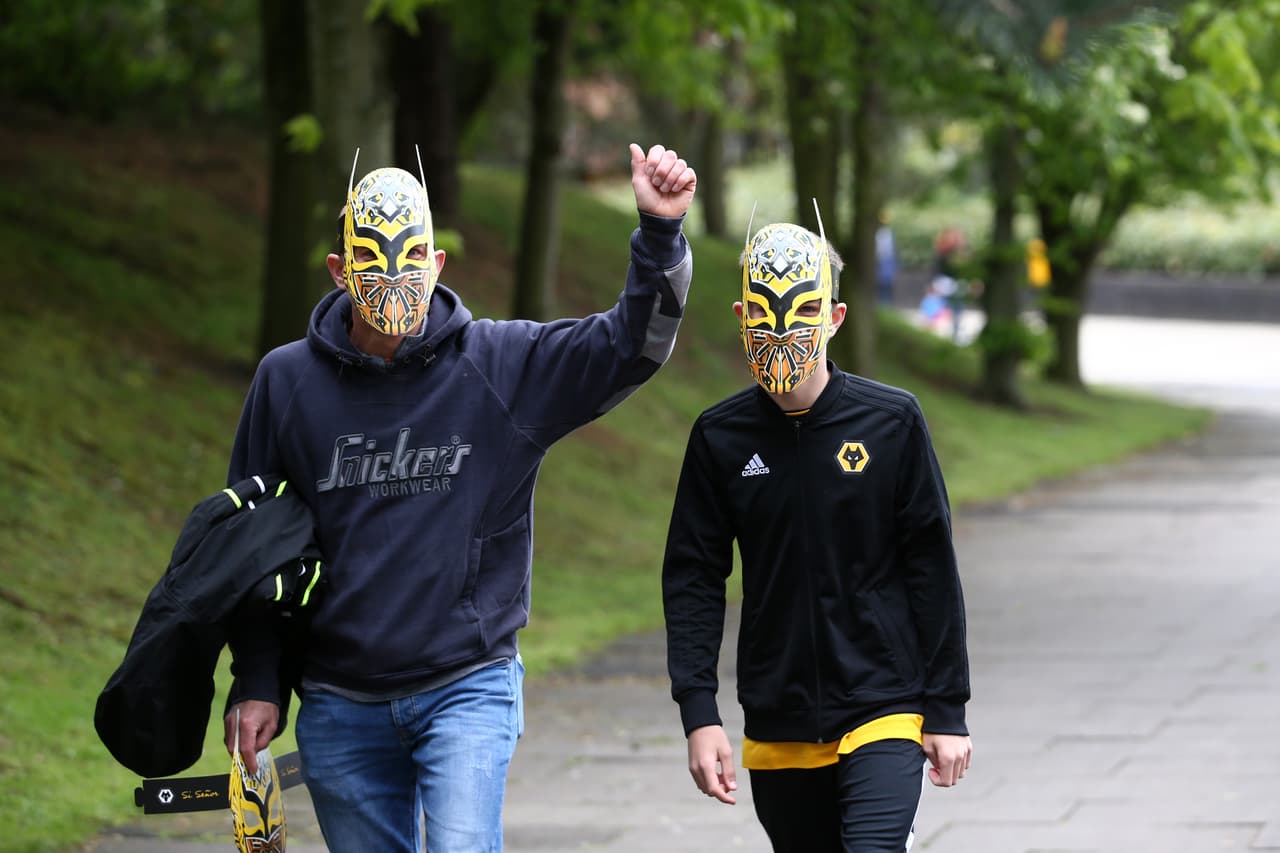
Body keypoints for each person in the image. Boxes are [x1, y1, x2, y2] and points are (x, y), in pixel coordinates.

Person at [222, 142, 696, 852]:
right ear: (339, 268)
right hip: (338, 698)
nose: (395, 274)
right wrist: (257, 679)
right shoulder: (286, 383)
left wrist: (659, 233)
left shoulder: (500, 365)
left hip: (466, 685)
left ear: (438, 262)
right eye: (373, 258)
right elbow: (251, 548)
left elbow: (633, 347)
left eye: (413, 255)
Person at [662, 219, 972, 852]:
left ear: (835, 316)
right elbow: (693, 574)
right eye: (762, 312)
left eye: (802, 311)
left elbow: (931, 568)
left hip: (884, 704)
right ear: (741, 313)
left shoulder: (891, 423)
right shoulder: (720, 438)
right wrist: (699, 712)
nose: (781, 329)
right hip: (780, 720)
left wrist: (947, 709)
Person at [875, 213, 898, 306]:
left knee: (885, 286)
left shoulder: (883, 233)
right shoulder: (886, 233)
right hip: (884, 262)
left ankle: (885, 305)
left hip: (885, 262)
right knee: (884, 286)